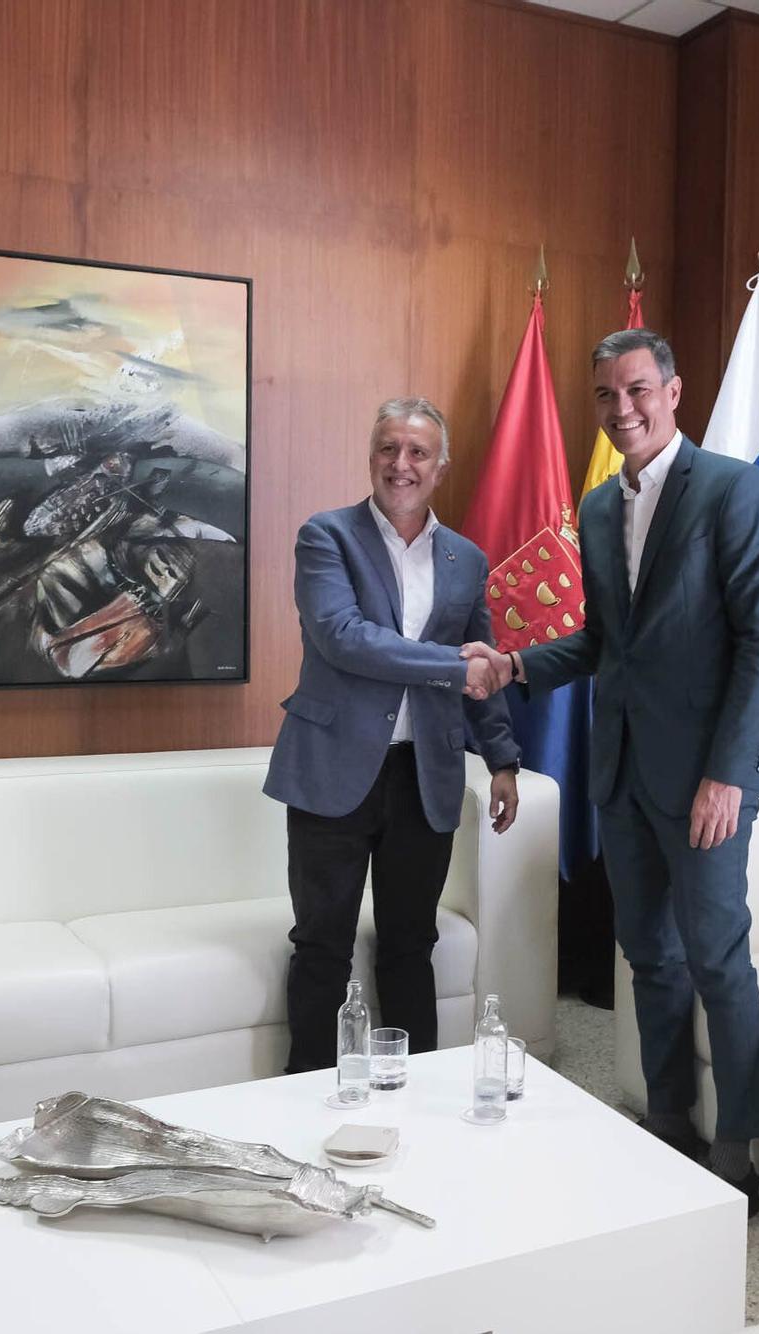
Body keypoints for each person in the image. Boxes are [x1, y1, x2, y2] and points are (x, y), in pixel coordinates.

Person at [464, 330, 759, 1214]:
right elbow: (606, 643)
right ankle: (671, 1122)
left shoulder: (732, 489)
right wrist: (517, 665)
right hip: (625, 775)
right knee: (650, 956)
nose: (622, 409)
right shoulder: (601, 508)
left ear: (674, 391)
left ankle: (737, 1149)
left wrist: (726, 774)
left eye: (637, 389)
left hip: (709, 781)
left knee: (718, 958)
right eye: (606, 396)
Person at [265, 397, 521, 1075]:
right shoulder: (327, 537)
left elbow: (484, 656)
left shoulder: (465, 558)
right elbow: (344, 639)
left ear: (441, 466)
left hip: (424, 775)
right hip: (332, 770)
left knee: (412, 943)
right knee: (323, 944)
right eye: (387, 448)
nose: (399, 464)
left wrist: (501, 759)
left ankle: (416, 1096)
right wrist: (454, 665)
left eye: (416, 452)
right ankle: (305, 1095)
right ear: (371, 455)